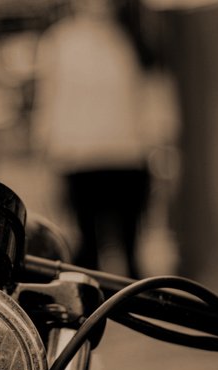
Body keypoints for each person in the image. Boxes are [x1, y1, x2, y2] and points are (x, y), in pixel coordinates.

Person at [32, 0, 157, 276]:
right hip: (80, 161)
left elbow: (147, 101)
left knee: (130, 250)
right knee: (87, 252)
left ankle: (134, 314)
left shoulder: (129, 38)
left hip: (127, 158)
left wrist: (154, 145)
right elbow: (48, 104)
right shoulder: (58, 41)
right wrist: (47, 162)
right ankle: (93, 316)